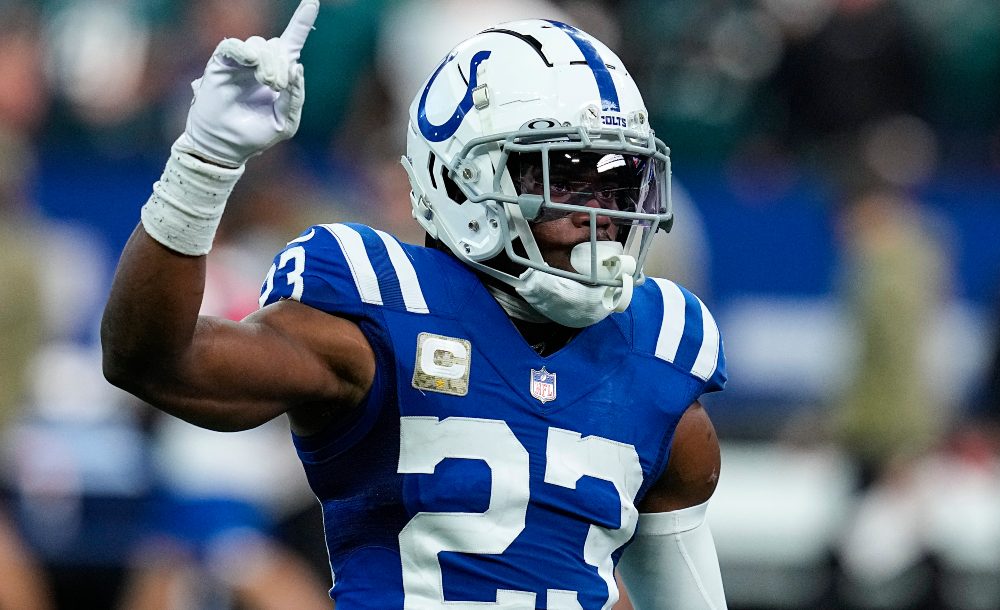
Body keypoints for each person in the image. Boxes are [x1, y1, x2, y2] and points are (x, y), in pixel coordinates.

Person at [100, 2, 729, 608]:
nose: (598, 216)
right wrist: (205, 159)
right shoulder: (378, 315)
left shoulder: (656, 357)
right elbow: (153, 359)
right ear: (460, 179)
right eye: (563, 176)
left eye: (616, 181)